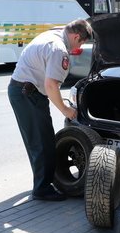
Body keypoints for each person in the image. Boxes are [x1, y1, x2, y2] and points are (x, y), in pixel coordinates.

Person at [8, 19, 92, 201]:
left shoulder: (51, 35)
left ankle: (42, 182)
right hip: (28, 94)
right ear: (76, 36)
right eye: (82, 42)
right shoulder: (59, 49)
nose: (80, 46)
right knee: (43, 141)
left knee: (36, 140)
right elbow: (51, 85)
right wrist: (66, 110)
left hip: (22, 90)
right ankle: (42, 189)